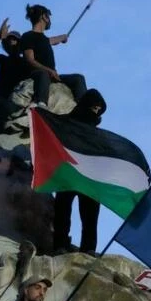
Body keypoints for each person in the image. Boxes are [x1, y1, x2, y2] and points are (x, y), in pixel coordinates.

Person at [52, 89, 108, 255]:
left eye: (99, 109)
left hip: (89, 177)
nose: (96, 111)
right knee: (62, 211)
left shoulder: (97, 134)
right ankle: (60, 245)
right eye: (94, 107)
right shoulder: (66, 123)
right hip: (68, 172)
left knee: (90, 216)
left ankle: (88, 249)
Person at [20, 4, 87, 107]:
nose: (50, 20)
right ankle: (41, 103)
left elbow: (51, 41)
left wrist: (63, 37)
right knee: (43, 74)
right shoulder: (28, 36)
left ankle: (83, 108)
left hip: (52, 75)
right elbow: (30, 60)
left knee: (78, 78)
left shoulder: (44, 39)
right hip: (38, 74)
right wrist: (49, 70)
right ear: (44, 17)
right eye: (48, 16)